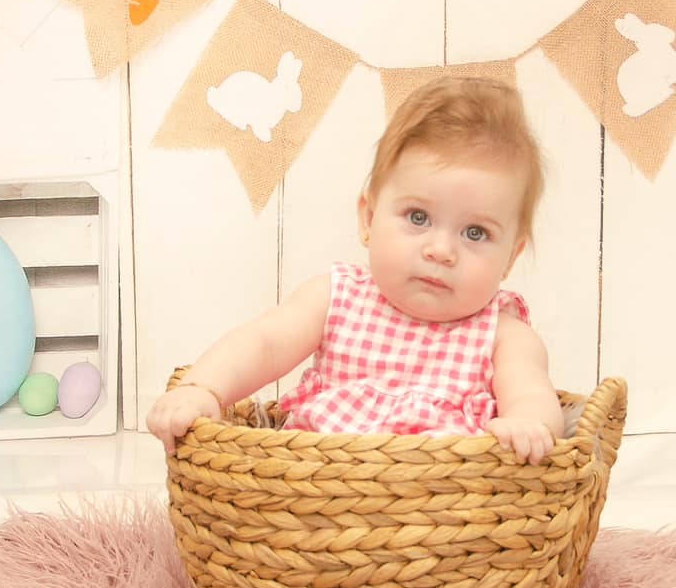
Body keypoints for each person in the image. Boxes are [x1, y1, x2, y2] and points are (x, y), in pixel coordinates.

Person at [144, 74, 565, 462]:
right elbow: (265, 342)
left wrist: (530, 425)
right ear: (369, 218)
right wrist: (203, 390)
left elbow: (532, 394)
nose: (441, 250)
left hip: (445, 506)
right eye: (418, 218)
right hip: (321, 487)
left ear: (510, 257)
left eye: (475, 233)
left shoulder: (503, 333)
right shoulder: (338, 297)